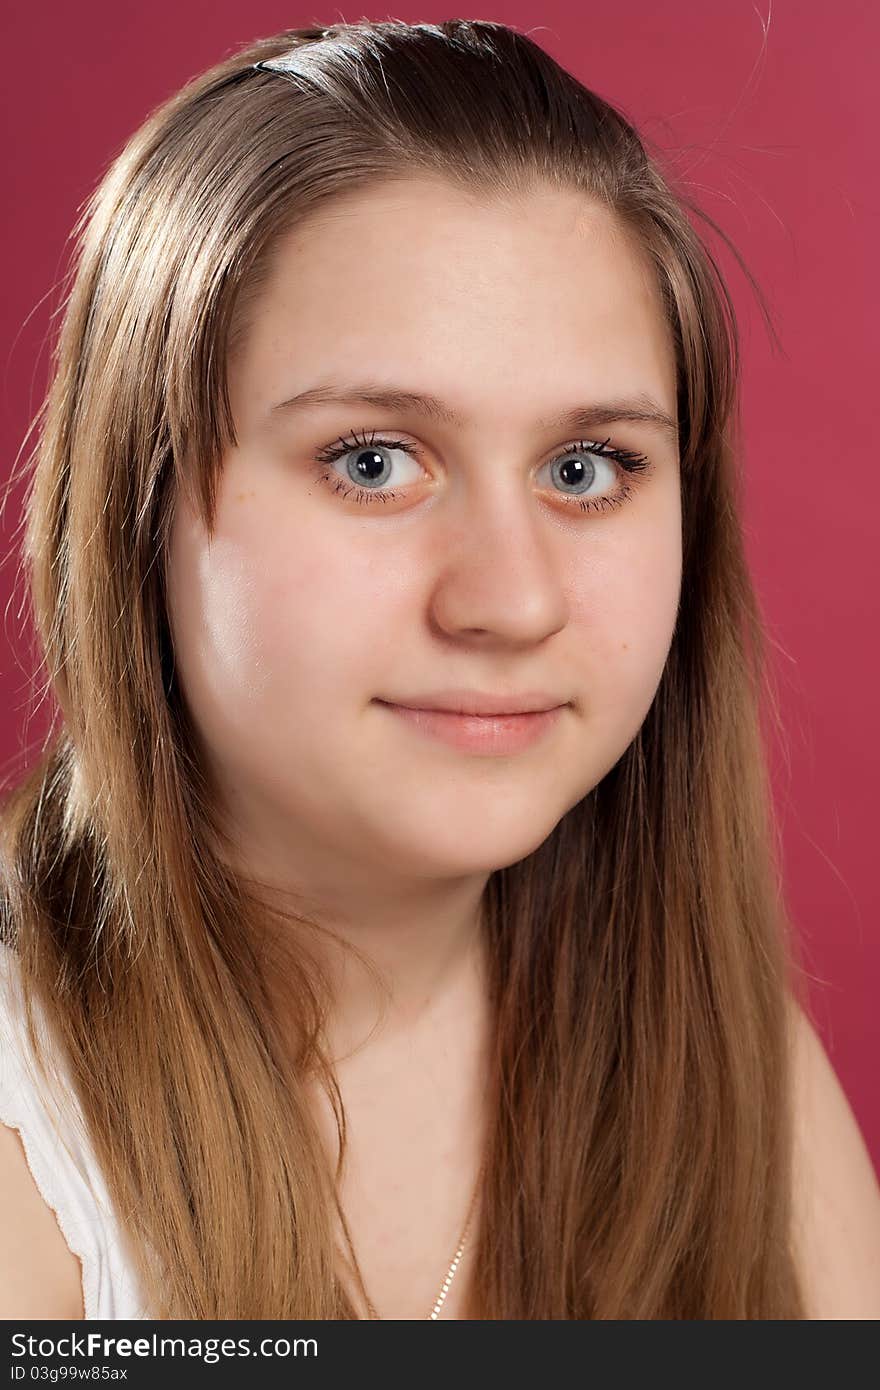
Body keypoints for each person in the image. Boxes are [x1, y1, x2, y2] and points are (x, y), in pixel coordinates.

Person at [1, 18, 879, 1322]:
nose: (512, 600)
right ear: (140, 507)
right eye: (373, 461)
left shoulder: (733, 1068)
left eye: (587, 470)